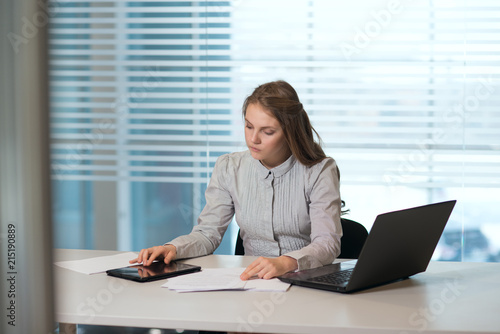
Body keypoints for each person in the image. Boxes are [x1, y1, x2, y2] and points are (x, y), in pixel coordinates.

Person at [130, 80, 342, 280]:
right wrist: (173, 249)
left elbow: (327, 243)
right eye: (249, 126)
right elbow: (207, 234)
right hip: (252, 282)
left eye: (267, 132)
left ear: (290, 132)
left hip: (306, 282)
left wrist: (286, 263)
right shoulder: (229, 167)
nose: (253, 139)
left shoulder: (319, 171)